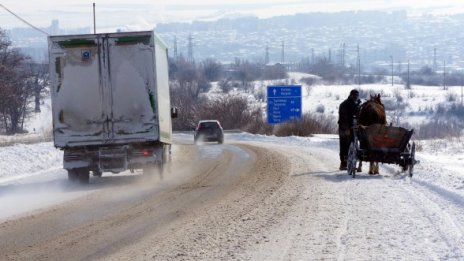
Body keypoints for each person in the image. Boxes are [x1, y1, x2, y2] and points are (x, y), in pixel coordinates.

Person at [338, 89, 361, 170]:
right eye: (355, 96)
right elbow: (344, 118)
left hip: (351, 128)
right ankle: (343, 164)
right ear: (351, 95)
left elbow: (356, 114)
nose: (356, 97)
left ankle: (349, 163)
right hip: (345, 128)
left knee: (351, 145)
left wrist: (358, 105)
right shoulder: (345, 104)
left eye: (357, 96)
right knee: (344, 145)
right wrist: (346, 128)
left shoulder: (352, 104)